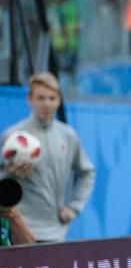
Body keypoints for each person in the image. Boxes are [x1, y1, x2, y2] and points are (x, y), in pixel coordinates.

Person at [2, 73, 95, 243]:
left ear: (59, 101)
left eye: (52, 98)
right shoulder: (13, 137)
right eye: (41, 98)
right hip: (21, 231)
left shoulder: (68, 136)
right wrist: (10, 175)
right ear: (30, 99)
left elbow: (87, 172)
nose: (47, 104)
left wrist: (74, 208)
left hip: (56, 232)